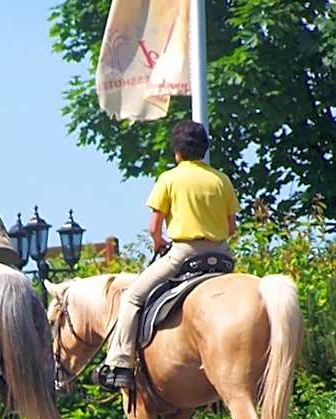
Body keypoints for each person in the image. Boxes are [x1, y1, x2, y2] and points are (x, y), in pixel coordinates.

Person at [96, 120, 239, 390]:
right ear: (204, 149)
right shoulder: (222, 180)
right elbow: (231, 227)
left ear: (177, 152)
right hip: (222, 255)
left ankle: (121, 364)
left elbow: (154, 228)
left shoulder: (169, 179)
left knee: (133, 298)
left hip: (184, 254)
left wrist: (159, 242)